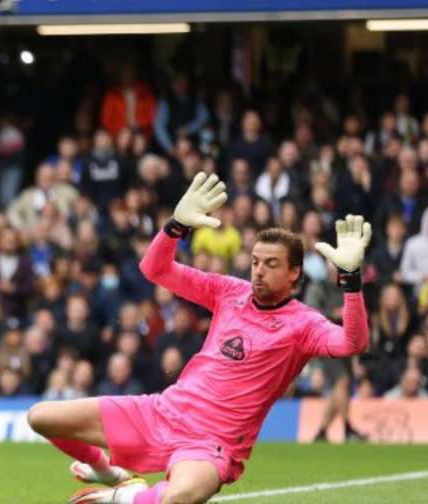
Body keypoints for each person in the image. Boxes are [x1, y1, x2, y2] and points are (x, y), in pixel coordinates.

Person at [26, 173, 371, 504]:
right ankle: (107, 473)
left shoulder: (303, 323)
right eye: (255, 262)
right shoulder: (229, 291)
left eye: (271, 264)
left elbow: (352, 343)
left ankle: (121, 497)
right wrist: (175, 226)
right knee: (40, 417)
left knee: (180, 496)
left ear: (294, 272)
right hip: (163, 411)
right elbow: (155, 269)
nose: (259, 271)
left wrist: (351, 282)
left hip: (212, 442)